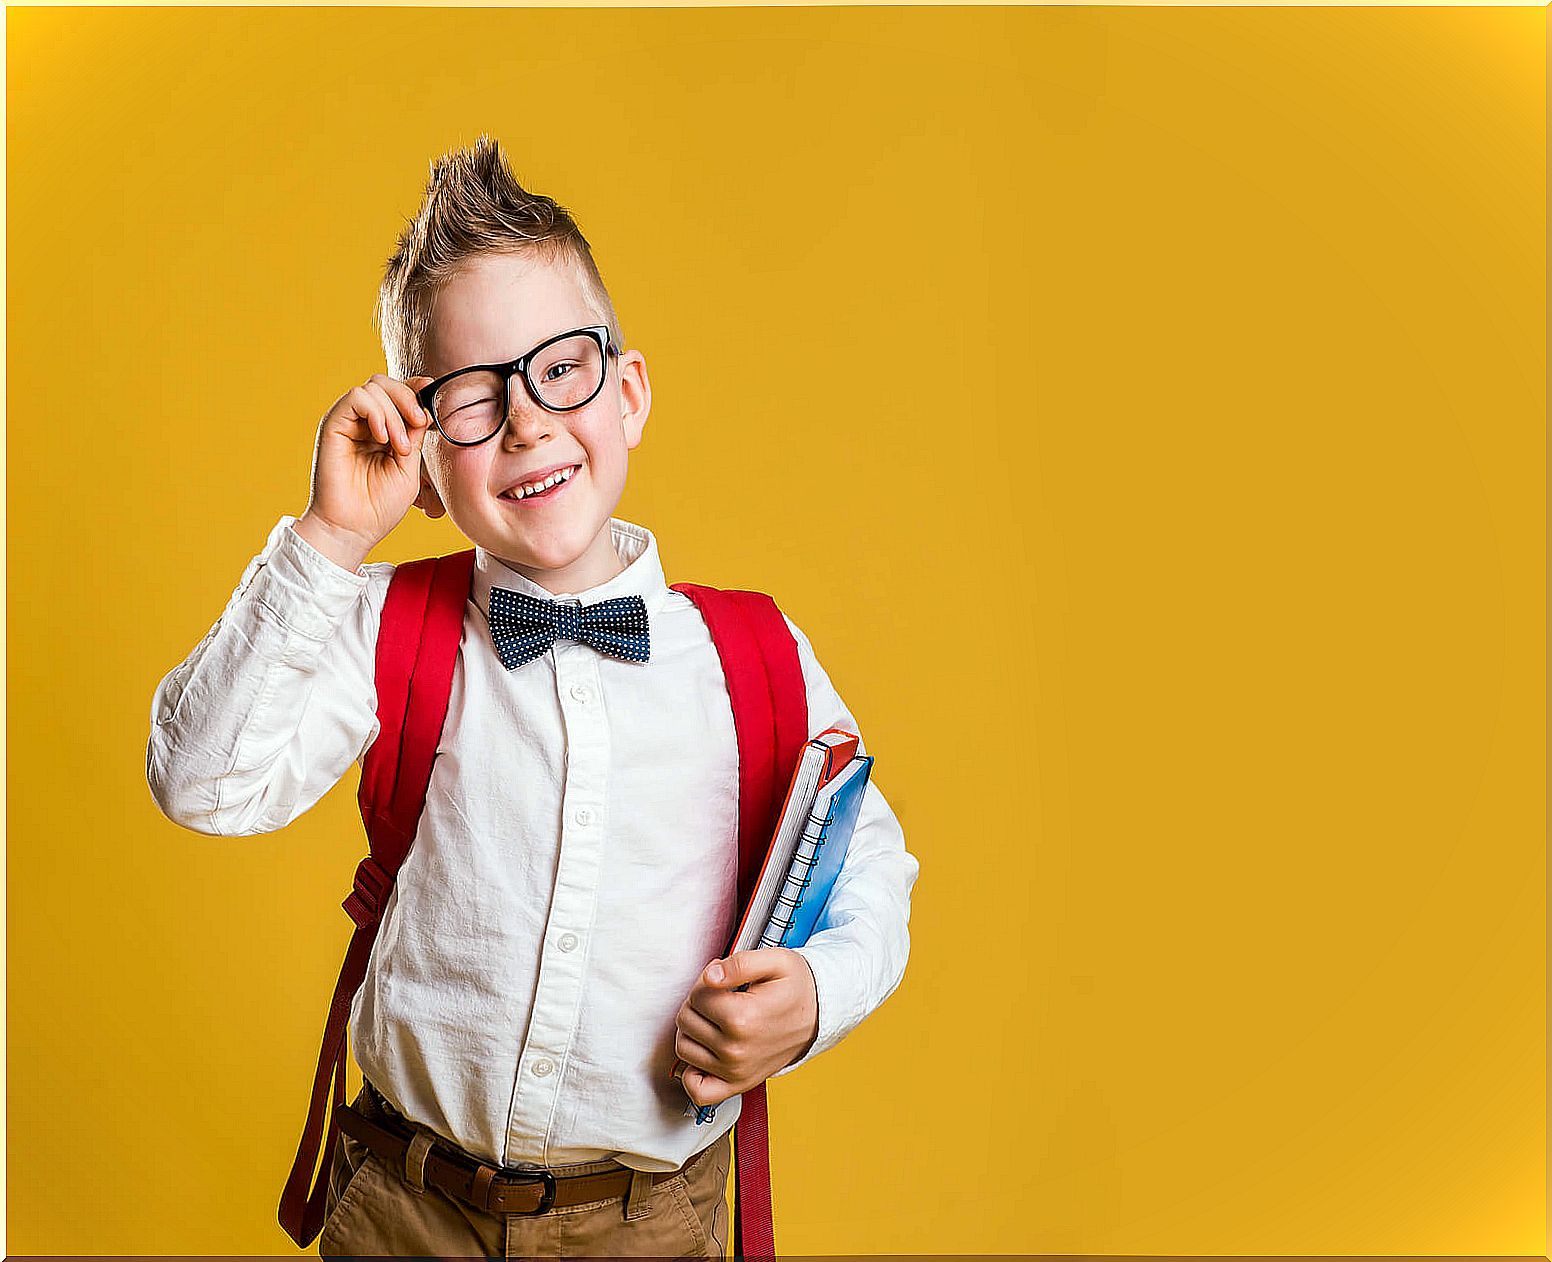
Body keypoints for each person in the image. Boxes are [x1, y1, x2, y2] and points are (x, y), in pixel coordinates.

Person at [145, 134, 919, 1258]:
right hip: (406, 1206)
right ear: (422, 451)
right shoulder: (376, 624)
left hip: (650, 1217)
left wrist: (813, 991)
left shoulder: (750, 651)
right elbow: (202, 782)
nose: (527, 420)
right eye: (471, 395)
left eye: (560, 367)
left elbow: (873, 867)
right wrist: (327, 540)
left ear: (630, 389)